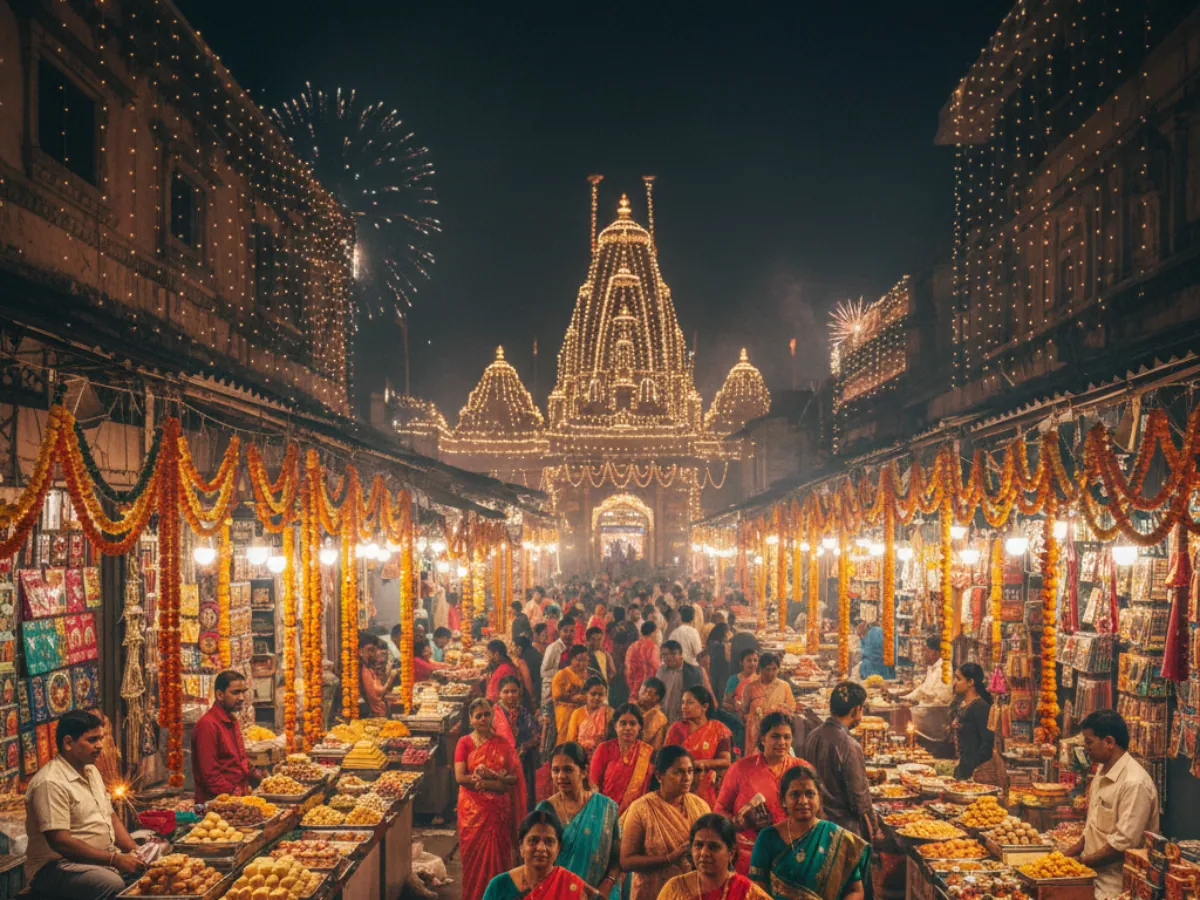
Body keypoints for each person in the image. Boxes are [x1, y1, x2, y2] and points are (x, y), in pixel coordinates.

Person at [24, 710, 144, 899]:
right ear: (68, 743)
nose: (99, 746)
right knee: (112, 884)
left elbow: (110, 816)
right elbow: (61, 842)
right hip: (57, 866)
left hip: (99, 860)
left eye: (100, 739)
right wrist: (114, 860)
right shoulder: (50, 782)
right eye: (92, 740)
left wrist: (134, 849)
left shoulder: (91, 771)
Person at [1065, 709, 1160, 900]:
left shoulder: (1134, 784)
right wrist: (1064, 857)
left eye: (1089, 742)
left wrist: (1077, 864)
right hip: (1093, 879)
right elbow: (1092, 828)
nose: (1086, 748)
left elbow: (1122, 845)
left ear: (1109, 742)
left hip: (1116, 887)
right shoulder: (1102, 770)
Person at [749, 763, 869, 900]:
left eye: (810, 794)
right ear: (783, 800)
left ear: (819, 797)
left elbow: (855, 891)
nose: (803, 801)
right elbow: (757, 891)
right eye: (795, 794)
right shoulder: (768, 838)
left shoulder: (836, 838)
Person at [716, 711, 806, 875]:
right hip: (749, 857)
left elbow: (815, 812)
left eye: (787, 737)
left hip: (792, 854)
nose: (781, 742)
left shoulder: (801, 770)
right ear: (763, 739)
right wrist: (743, 822)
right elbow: (719, 811)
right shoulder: (741, 769)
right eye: (775, 736)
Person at [620, 745, 712, 900]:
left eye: (690, 771)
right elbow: (626, 861)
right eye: (678, 772)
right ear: (659, 776)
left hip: (693, 892)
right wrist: (669, 859)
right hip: (652, 893)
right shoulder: (642, 809)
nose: (687, 778)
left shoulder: (700, 806)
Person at [535, 743, 622, 899]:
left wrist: (608, 884)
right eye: (556, 770)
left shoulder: (606, 807)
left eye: (568, 769)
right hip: (558, 893)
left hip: (599, 894)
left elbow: (617, 856)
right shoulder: (545, 809)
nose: (561, 776)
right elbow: (536, 859)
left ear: (584, 771)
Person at [456, 699, 521, 900]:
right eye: (478, 715)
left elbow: (512, 778)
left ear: (492, 716)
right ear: (471, 719)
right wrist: (488, 782)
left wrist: (495, 778)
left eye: (486, 714)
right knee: (474, 860)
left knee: (499, 859)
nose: (483, 719)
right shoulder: (464, 743)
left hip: (498, 812)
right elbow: (460, 777)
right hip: (472, 812)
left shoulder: (502, 743)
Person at [801, 681, 876, 839]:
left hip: (814, 823)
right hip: (842, 829)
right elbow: (859, 799)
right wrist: (874, 828)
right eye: (861, 709)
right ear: (856, 710)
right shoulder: (849, 745)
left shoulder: (812, 735)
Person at [481, 809, 590, 900]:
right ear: (521, 847)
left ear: (558, 849)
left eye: (549, 841)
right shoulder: (499, 886)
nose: (541, 848)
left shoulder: (570, 885)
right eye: (533, 840)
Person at [659, 813, 773, 900]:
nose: (704, 853)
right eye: (698, 845)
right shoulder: (675, 889)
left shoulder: (747, 892)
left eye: (713, 847)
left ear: (731, 853)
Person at [192, 669, 262, 802]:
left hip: (236, 800)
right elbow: (211, 777)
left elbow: (238, 760)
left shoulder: (232, 721)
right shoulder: (208, 725)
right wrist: (234, 794)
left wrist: (256, 774)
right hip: (217, 805)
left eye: (243, 692)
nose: (241, 698)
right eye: (235, 692)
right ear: (220, 695)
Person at [665, 686, 733, 808]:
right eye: (683, 702)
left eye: (690, 703)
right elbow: (666, 759)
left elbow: (726, 761)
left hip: (707, 786)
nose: (684, 707)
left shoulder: (718, 729)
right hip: (679, 785)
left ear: (704, 706)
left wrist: (699, 763)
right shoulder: (676, 729)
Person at [589, 704, 654, 814]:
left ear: (639, 727)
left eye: (633, 724)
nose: (628, 728)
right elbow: (594, 784)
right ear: (615, 726)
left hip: (636, 815)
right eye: (623, 723)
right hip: (606, 811)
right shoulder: (604, 749)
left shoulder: (647, 752)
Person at [494, 675, 539, 824]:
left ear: (519, 692)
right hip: (500, 764)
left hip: (524, 762)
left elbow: (536, 736)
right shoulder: (494, 714)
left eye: (514, 691)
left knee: (524, 799)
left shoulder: (524, 713)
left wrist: (524, 747)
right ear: (499, 693)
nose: (510, 695)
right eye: (506, 692)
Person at [742, 653, 795, 756]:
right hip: (755, 733)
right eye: (767, 669)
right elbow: (745, 709)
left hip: (776, 730)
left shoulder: (784, 686)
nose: (771, 673)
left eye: (774, 669)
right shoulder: (750, 688)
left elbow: (791, 708)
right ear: (760, 670)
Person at [950, 662, 995, 780]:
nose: (955, 682)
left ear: (971, 682)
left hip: (971, 773)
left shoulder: (980, 707)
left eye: (958, 679)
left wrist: (973, 767)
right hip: (960, 768)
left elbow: (987, 744)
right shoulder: (962, 704)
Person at [888, 636, 954, 706]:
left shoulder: (944, 670)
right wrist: (903, 698)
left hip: (933, 714)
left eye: (925, 651)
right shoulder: (932, 668)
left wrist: (914, 705)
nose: (922, 654)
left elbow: (939, 702)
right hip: (922, 711)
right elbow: (921, 690)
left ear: (933, 653)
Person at [657, 640, 705, 723]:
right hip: (662, 720)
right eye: (665, 654)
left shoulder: (692, 673)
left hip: (682, 721)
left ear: (681, 655)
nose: (668, 657)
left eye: (673, 654)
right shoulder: (661, 671)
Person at [564, 676, 613, 755]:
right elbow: (570, 742)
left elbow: (612, 740)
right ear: (586, 694)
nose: (597, 698)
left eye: (600, 694)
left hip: (602, 755)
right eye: (593, 694)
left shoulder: (609, 713)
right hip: (579, 756)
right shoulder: (577, 713)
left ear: (605, 695)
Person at [552, 644, 590, 740]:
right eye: (578, 660)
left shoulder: (590, 675)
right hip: (566, 712)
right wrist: (574, 698)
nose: (582, 664)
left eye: (585, 660)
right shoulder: (562, 674)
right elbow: (557, 695)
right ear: (571, 659)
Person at [359, 633, 398, 716]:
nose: (373, 654)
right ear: (360, 651)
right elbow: (376, 693)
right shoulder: (364, 669)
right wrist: (391, 678)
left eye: (373, 650)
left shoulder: (369, 668)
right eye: (369, 650)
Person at [541, 616, 576, 706]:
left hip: (568, 692)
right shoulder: (553, 648)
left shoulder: (574, 648)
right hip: (551, 691)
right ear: (559, 632)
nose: (568, 634)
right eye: (565, 631)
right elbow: (543, 672)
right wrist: (561, 673)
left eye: (572, 631)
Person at [625, 621, 660, 700]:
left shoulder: (632, 646)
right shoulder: (653, 647)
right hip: (648, 687)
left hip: (633, 686)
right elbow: (656, 667)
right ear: (653, 633)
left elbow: (628, 668)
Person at [638, 677, 669, 751]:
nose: (642, 694)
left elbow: (643, 738)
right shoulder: (632, 707)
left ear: (656, 698)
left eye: (647, 692)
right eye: (641, 690)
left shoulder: (658, 716)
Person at [485, 639, 519, 703]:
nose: (487, 656)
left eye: (488, 653)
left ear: (496, 654)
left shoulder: (505, 669)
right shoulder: (503, 666)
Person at [706, 622, 731, 703]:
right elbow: (728, 659)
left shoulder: (711, 642)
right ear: (723, 633)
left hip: (713, 671)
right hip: (722, 672)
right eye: (727, 632)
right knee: (721, 694)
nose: (729, 634)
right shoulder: (722, 646)